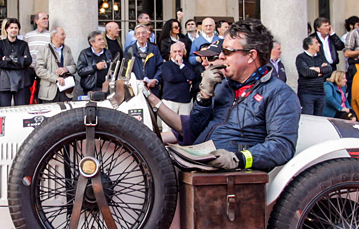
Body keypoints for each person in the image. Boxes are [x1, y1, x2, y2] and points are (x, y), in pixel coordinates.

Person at [148, 18, 300, 171]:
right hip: (197, 164)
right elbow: (194, 128)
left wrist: (239, 159)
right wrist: (204, 96)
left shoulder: (279, 94)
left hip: (233, 177)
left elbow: (282, 146)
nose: (220, 56)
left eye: (227, 51)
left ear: (251, 56)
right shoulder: (223, 86)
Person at [0, 18, 33, 107]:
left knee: (21, 108)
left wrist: (7, 59)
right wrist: (20, 61)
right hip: (5, 80)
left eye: (16, 28)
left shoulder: (23, 44)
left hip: (21, 81)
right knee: (5, 108)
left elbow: (28, 61)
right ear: (7, 29)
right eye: (11, 28)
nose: (14, 30)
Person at [34, 26, 76, 103]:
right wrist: (56, 78)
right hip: (49, 92)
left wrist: (66, 69)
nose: (65, 36)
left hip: (65, 90)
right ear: (54, 36)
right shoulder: (43, 49)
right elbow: (39, 70)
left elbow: (74, 67)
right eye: (62, 34)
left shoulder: (67, 49)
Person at [295, 35, 332, 116]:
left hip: (320, 93)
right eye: (316, 43)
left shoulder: (320, 57)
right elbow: (306, 72)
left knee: (319, 119)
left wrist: (315, 69)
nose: (319, 44)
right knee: (308, 117)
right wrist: (320, 70)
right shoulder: (301, 58)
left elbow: (329, 69)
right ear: (310, 45)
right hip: (307, 94)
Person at [160, 42, 196, 116]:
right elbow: (170, 78)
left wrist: (181, 65)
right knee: (168, 127)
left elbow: (192, 76)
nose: (177, 53)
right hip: (169, 101)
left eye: (179, 51)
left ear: (183, 52)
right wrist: (186, 78)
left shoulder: (187, 64)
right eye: (175, 51)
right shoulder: (166, 65)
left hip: (185, 101)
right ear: (170, 53)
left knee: (184, 126)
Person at [125, 25, 162, 96]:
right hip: (135, 89)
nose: (141, 36)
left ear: (147, 35)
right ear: (135, 36)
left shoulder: (154, 49)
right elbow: (126, 69)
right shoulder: (130, 50)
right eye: (138, 33)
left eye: (143, 33)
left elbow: (160, 66)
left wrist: (155, 80)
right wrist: (134, 82)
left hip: (152, 89)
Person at [76, 30, 110, 98]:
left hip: (106, 89)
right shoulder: (85, 53)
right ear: (92, 43)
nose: (103, 41)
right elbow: (80, 70)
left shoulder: (107, 52)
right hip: (91, 89)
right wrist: (95, 67)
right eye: (99, 40)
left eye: (103, 39)